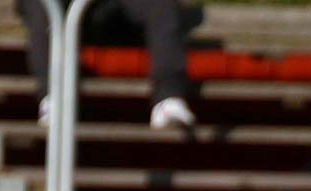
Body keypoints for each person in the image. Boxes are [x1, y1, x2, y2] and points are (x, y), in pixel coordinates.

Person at [15, 0, 198, 129]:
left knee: (161, 5)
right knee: (43, 5)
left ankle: (167, 99)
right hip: (62, 11)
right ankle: (54, 97)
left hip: (115, 12)